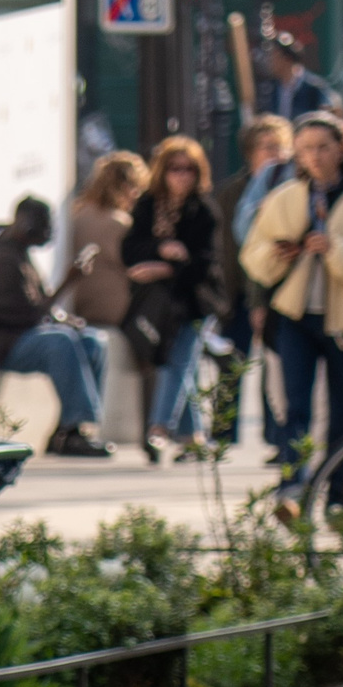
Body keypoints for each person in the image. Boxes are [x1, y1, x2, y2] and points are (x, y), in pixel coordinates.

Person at [242, 110, 343, 527]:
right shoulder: (286, 197)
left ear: (341, 150)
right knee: (295, 406)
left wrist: (334, 248)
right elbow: (253, 253)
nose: (314, 156)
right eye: (306, 148)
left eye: (323, 147)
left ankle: (340, 499)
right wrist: (279, 254)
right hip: (296, 315)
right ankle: (292, 489)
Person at [0, 196, 113, 457]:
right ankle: (73, 427)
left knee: (91, 341)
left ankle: (70, 431)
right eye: (45, 227)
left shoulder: (16, 251)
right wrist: (68, 282)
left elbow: (34, 306)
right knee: (59, 343)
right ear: (27, 226)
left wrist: (63, 319)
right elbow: (28, 316)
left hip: (11, 337)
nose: (49, 234)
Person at [123, 136, 224, 462]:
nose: (182, 176)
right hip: (158, 305)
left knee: (175, 364)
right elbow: (129, 250)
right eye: (175, 169)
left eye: (189, 170)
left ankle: (159, 428)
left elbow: (204, 264)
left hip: (194, 301)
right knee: (185, 370)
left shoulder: (204, 210)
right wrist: (160, 250)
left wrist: (166, 268)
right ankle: (194, 438)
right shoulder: (148, 206)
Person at [210, 115, 295, 446]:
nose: (276, 154)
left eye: (282, 147)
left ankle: (276, 435)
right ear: (250, 153)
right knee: (233, 363)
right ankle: (223, 431)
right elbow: (225, 250)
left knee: (276, 367)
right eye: (268, 147)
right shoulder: (232, 193)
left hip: (277, 293)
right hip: (238, 293)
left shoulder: (291, 189)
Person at [59, 151, 144, 327]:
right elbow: (135, 268)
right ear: (124, 186)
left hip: (81, 305)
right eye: (136, 187)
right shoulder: (121, 223)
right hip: (116, 311)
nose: (137, 194)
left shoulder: (79, 216)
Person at [259, 33, 339, 120]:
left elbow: (327, 115)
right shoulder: (270, 89)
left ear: (287, 58)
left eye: (273, 56)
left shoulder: (314, 87)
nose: (269, 60)